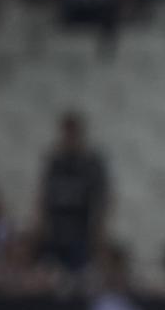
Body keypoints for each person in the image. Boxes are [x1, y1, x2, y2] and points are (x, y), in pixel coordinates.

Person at [36, 111, 111, 274]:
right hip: (55, 231)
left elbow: (102, 199)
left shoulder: (92, 164)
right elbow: (44, 196)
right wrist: (41, 224)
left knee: (79, 274)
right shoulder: (55, 163)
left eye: (73, 133)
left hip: (82, 232)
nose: (69, 138)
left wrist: (99, 231)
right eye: (66, 133)